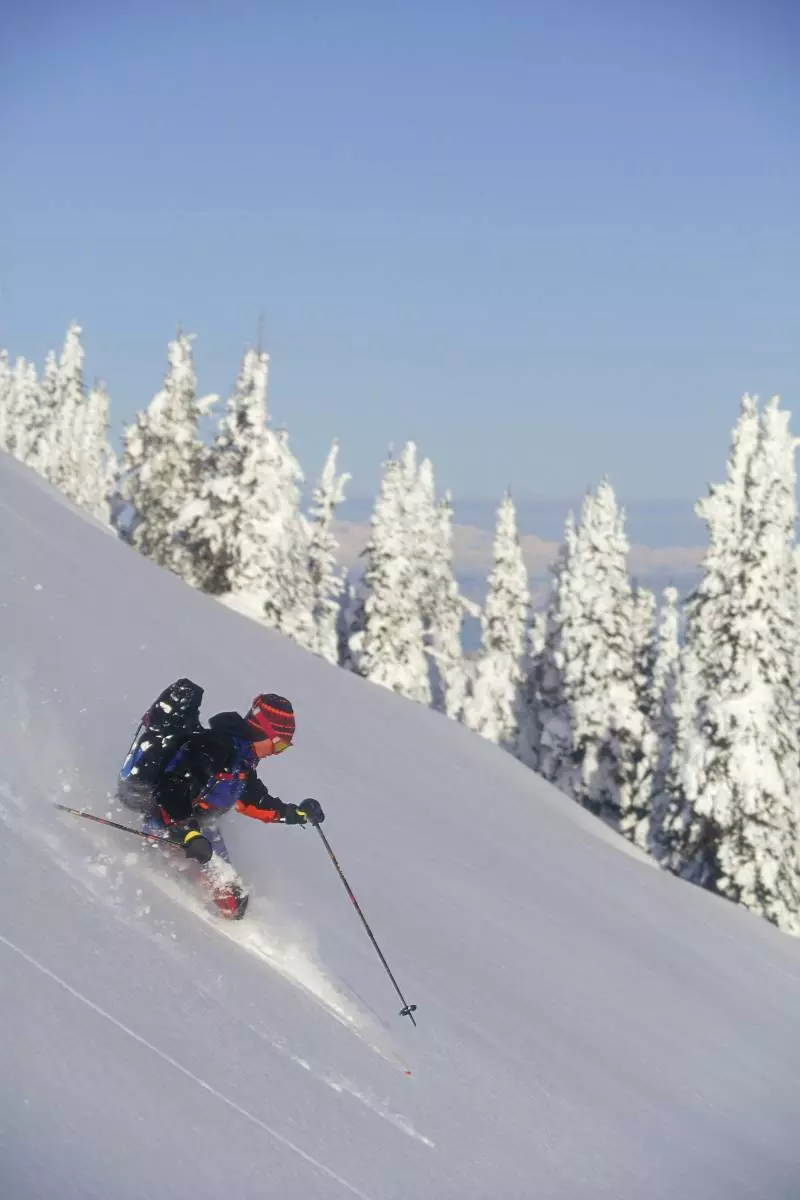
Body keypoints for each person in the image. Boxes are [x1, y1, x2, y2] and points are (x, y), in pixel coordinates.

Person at [118, 686, 324, 917]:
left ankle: (229, 930)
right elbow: (172, 787)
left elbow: (253, 801)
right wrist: (186, 833)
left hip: (200, 826)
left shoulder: (243, 760)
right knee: (224, 895)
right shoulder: (215, 748)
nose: (278, 752)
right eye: (280, 744)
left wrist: (294, 814)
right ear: (263, 732)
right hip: (169, 823)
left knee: (234, 899)